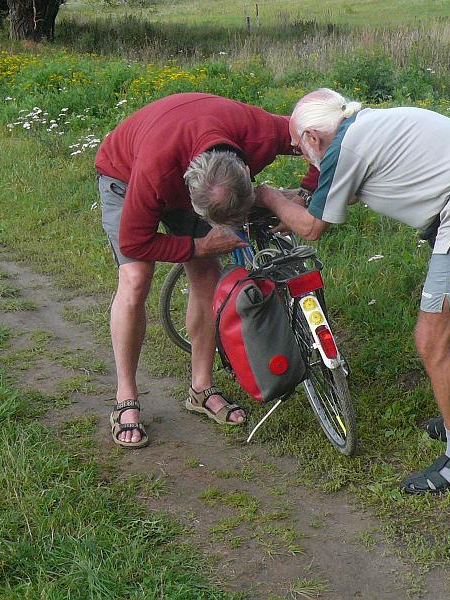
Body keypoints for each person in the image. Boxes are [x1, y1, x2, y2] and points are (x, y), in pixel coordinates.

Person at [256, 88, 450, 494]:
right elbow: (322, 198)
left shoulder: (344, 148)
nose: (303, 156)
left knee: (432, 341)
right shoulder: (365, 126)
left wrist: (268, 197)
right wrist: (297, 203)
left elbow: (313, 228)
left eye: (300, 148)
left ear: (314, 137)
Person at [95, 92, 317, 449]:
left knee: (207, 277)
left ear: (247, 171)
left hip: (197, 169)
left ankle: (201, 388)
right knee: (136, 280)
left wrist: (307, 193)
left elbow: (319, 138)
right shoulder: (156, 170)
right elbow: (136, 242)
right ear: (188, 190)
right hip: (126, 176)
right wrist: (198, 245)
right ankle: (126, 397)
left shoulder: (259, 131)